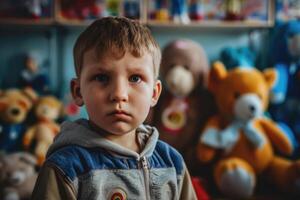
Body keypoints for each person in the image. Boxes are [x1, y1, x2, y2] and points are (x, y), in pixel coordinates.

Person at [31, 16, 197, 200]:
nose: (119, 94)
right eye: (102, 78)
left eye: (135, 78)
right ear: (78, 92)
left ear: (154, 93)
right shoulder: (64, 169)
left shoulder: (173, 163)